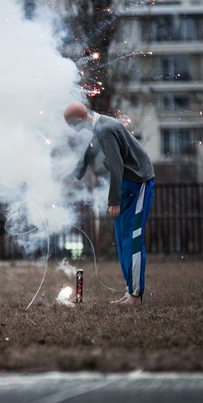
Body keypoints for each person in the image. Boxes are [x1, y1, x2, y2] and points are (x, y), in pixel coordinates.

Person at [64, 101, 155, 305]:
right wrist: (77, 173)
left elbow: (117, 166)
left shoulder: (105, 129)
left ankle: (136, 295)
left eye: (71, 125)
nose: (72, 130)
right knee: (123, 238)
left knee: (132, 239)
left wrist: (113, 200)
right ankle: (130, 290)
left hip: (138, 182)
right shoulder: (100, 125)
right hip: (127, 184)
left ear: (78, 120)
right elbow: (91, 149)